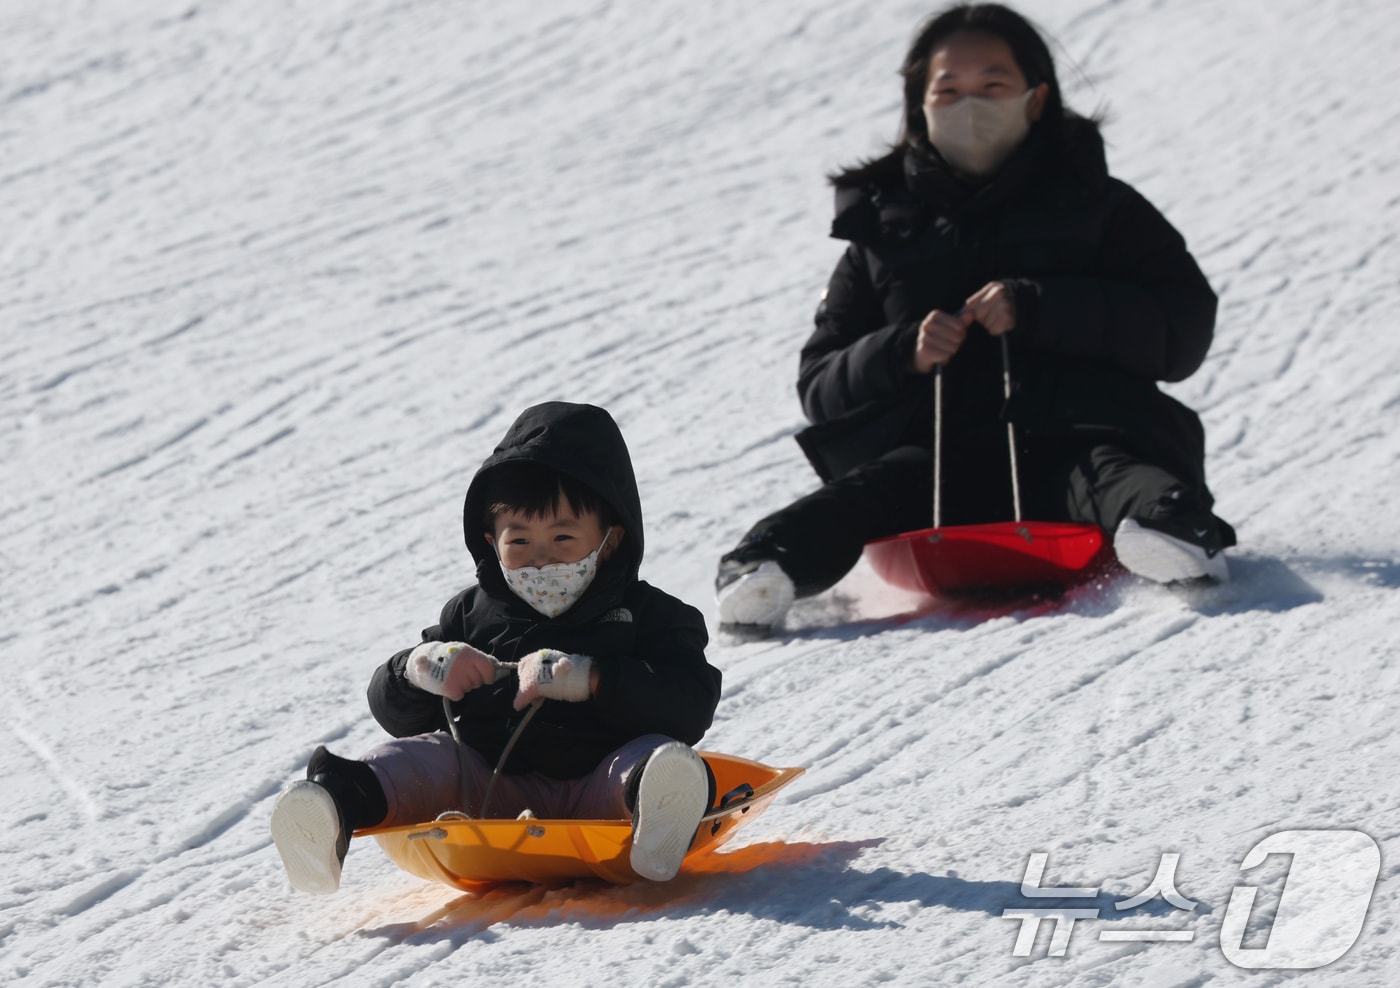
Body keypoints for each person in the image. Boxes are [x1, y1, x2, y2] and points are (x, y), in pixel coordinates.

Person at [716, 3, 1235, 634]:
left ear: (1036, 98)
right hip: (937, 460)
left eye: (993, 86)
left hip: (1081, 436)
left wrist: (1043, 307)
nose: (970, 105)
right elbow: (820, 383)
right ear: (920, 104)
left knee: (1121, 480)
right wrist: (901, 349)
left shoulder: (1102, 207)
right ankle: (761, 570)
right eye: (949, 89)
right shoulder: (880, 234)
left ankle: (1175, 535)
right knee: (855, 501)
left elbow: (1181, 328)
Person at [271, 402, 722, 892]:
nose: (541, 559)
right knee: (415, 757)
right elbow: (400, 715)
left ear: (609, 540)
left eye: (564, 537)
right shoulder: (470, 614)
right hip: (486, 793)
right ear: (491, 542)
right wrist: (420, 670)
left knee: (655, 757)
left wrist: (594, 679)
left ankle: (661, 815)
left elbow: (690, 703)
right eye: (520, 542)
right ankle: (332, 807)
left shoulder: (652, 614)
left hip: (602, 789)